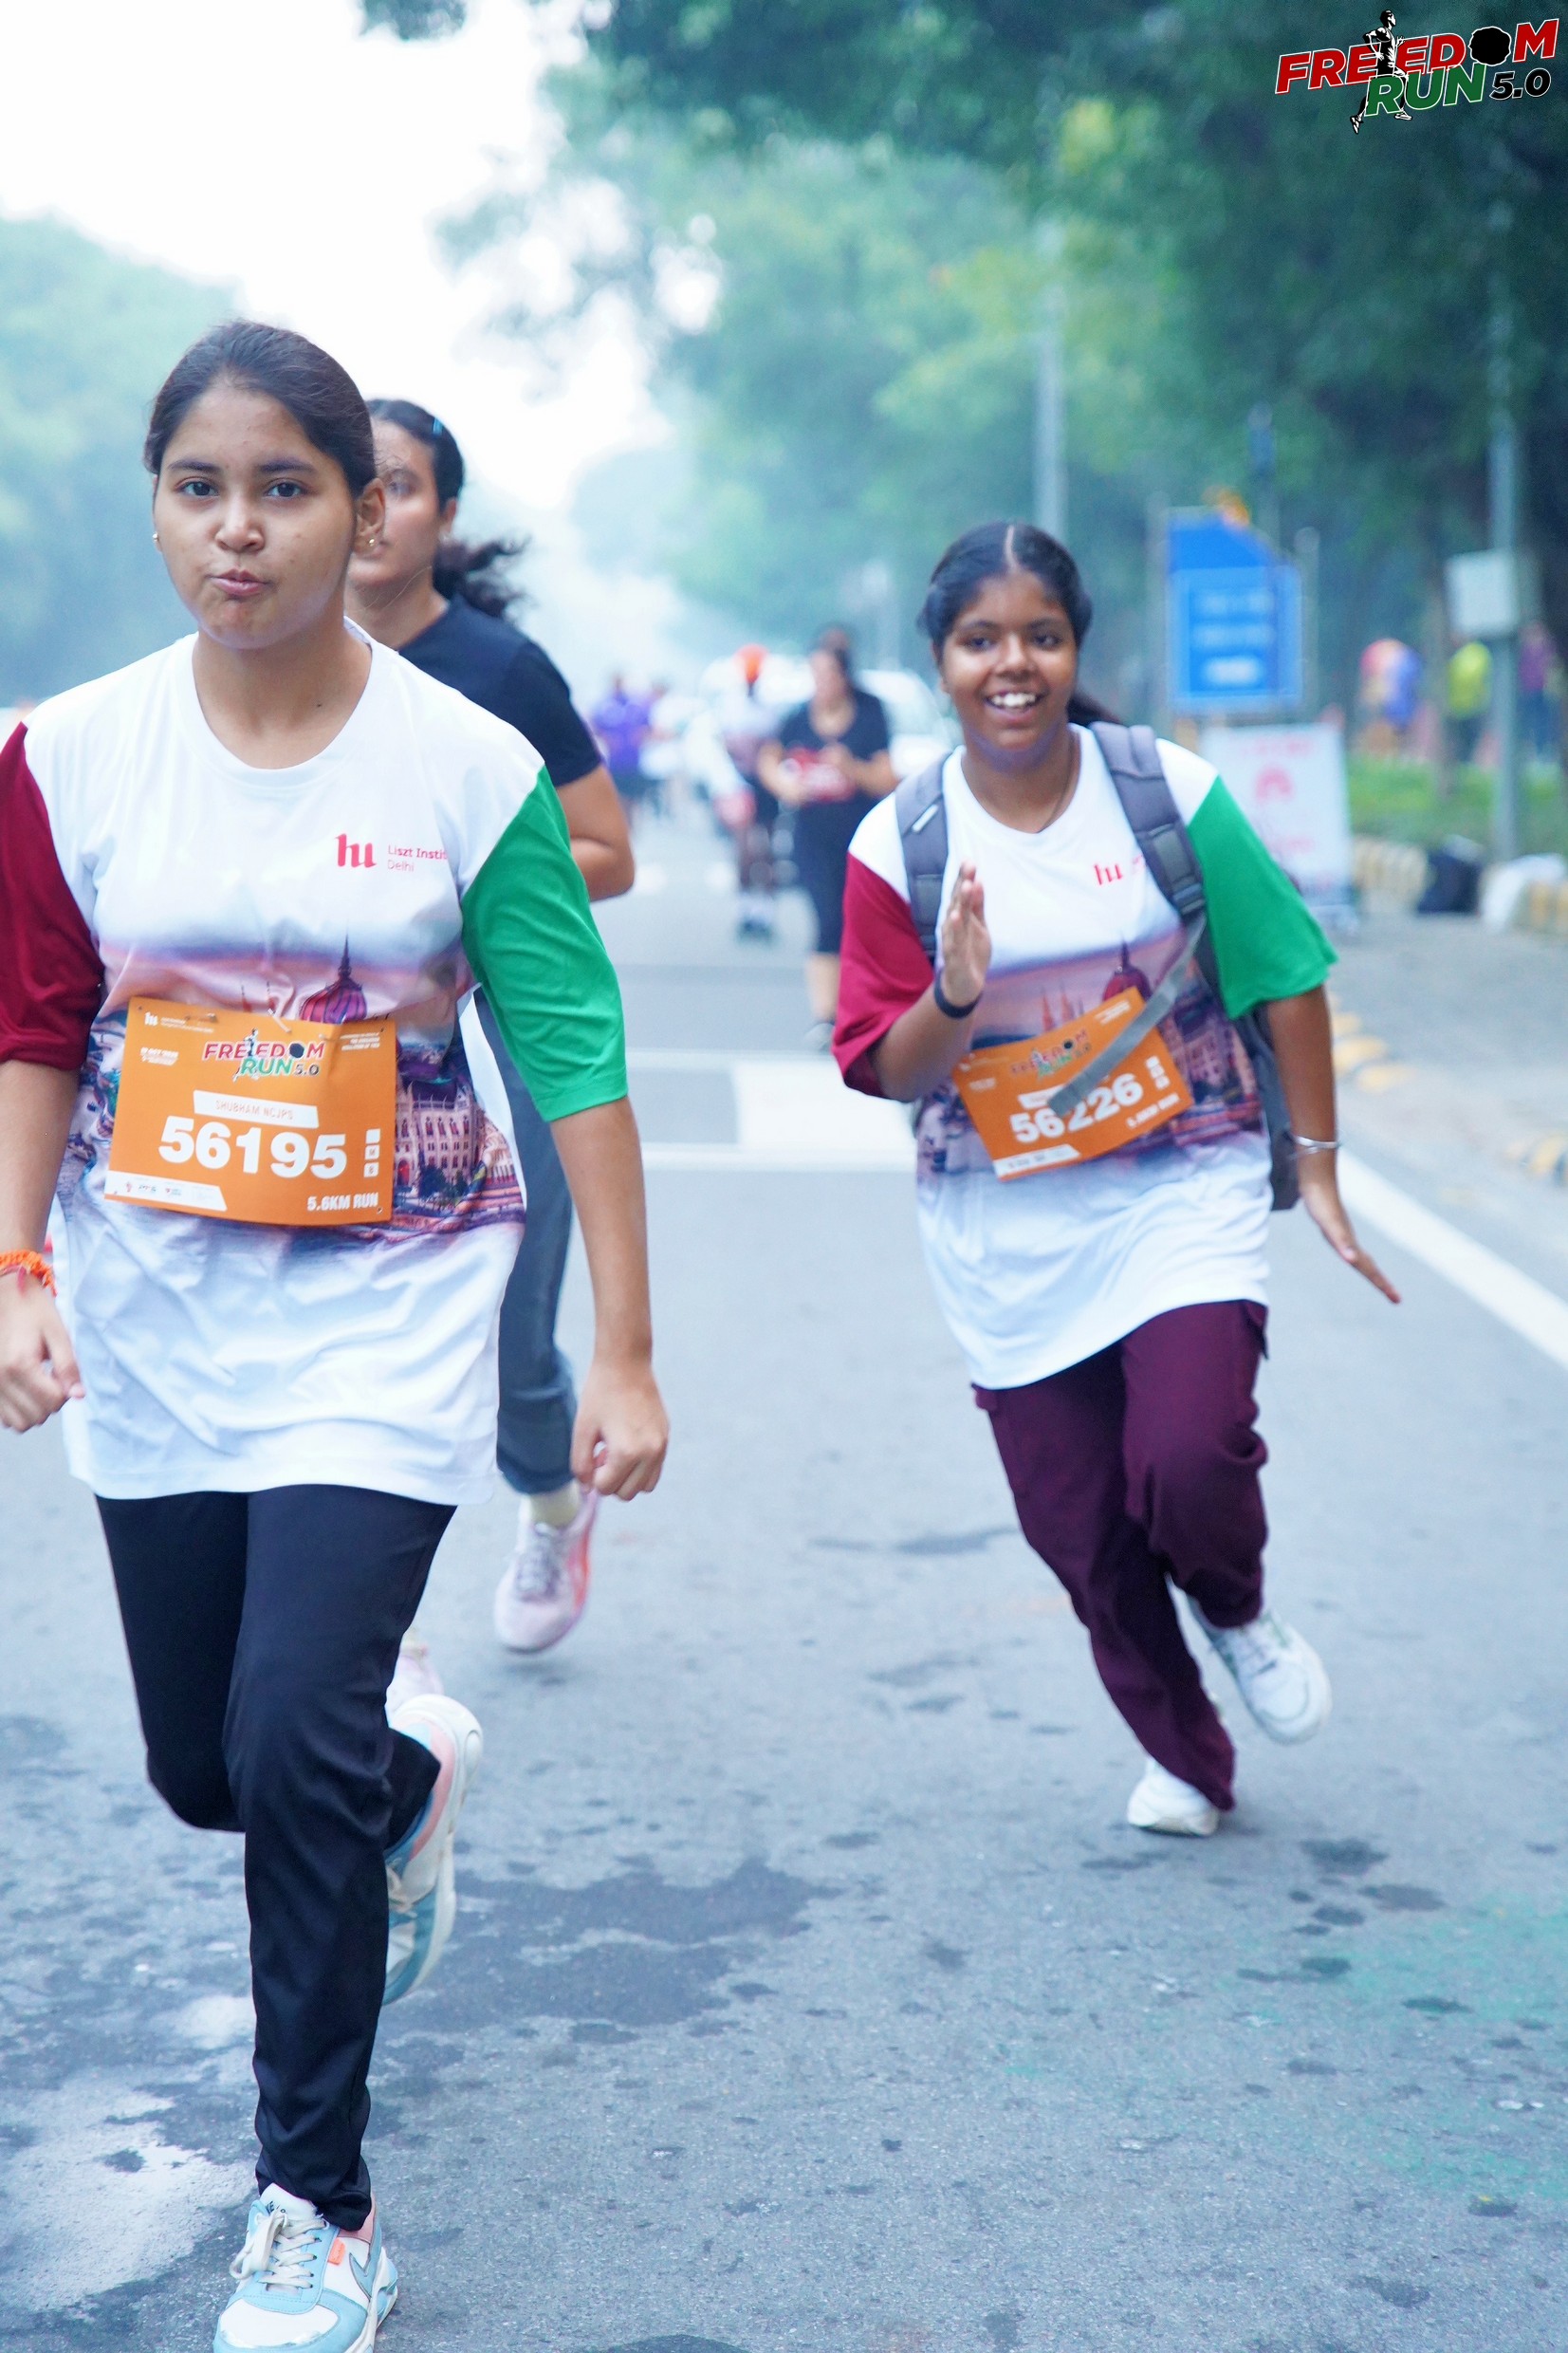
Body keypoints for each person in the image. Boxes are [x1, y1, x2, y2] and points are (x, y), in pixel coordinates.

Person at [0, 321, 668, 2352]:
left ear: (360, 512)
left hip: (392, 1301)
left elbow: (570, 1045)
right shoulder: (66, 754)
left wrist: (622, 1349)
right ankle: (397, 1790)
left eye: (283, 489)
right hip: (158, 1309)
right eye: (198, 487)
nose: (239, 528)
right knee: (212, 1764)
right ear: (156, 506)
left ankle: (314, 2208)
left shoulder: (464, 766)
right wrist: (16, 1263)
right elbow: (34, 1024)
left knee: (286, 1730)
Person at [834, 520, 1397, 1839]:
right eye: (981, 640)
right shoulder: (896, 845)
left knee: (1189, 1458)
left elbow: (1286, 970)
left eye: (1041, 636)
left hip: (1178, 1185)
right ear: (940, 661)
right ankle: (1188, 1754)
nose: (1012, 665)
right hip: (1001, 1226)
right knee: (1082, 1532)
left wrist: (1317, 1169)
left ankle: (1237, 1607)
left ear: (1076, 648)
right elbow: (884, 1069)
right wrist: (955, 993)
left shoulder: (1166, 795)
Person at [346, 398, 634, 1677]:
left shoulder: (502, 673)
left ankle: (552, 1506)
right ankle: (360, 1628)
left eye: (400, 486)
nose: (372, 512)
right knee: (347, 1328)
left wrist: (453, 901)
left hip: (494, 1039)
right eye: (349, 482)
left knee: (510, 1337)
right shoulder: (271, 655)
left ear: (445, 514)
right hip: (334, 1051)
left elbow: (608, 851)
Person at [758, 627, 895, 1045]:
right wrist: (786, 786)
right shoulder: (797, 718)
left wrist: (850, 767)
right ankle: (826, 1017)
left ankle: (864, 1009)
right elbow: (768, 760)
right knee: (827, 918)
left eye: (829, 674)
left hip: (861, 837)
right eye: (815, 674)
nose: (822, 683)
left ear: (845, 676)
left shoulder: (870, 714)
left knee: (861, 921)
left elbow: (886, 778)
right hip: (812, 836)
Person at [713, 642, 781, 940]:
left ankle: (765, 911)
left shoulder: (771, 706)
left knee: (766, 849)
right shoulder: (730, 705)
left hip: (766, 785)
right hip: (739, 784)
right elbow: (724, 742)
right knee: (744, 850)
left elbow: (776, 745)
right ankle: (745, 910)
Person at [592, 671, 654, 820]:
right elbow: (595, 727)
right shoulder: (605, 705)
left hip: (634, 760)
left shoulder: (634, 704)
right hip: (614, 762)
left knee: (632, 799)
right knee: (617, 798)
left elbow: (647, 726)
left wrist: (640, 736)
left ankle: (631, 825)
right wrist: (607, 739)